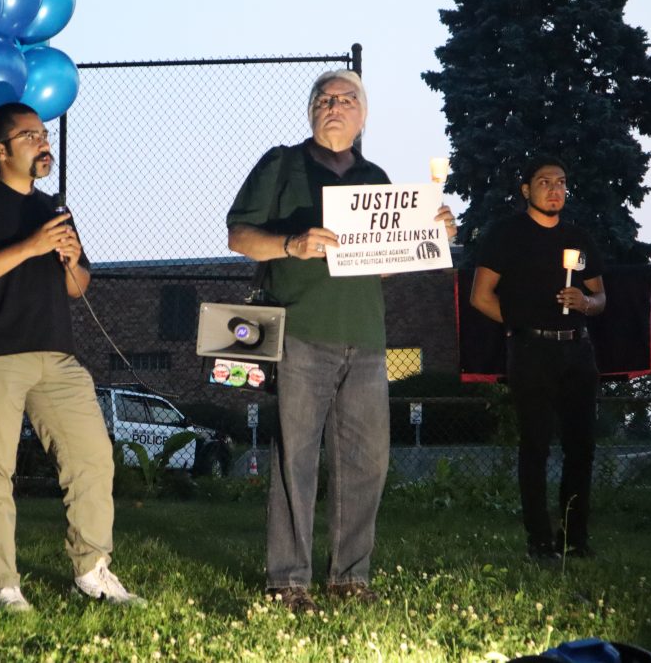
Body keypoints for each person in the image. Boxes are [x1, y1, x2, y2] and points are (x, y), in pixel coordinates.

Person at [226, 70, 456, 612]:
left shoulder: (376, 176)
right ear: (312, 111)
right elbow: (239, 235)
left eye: (346, 99)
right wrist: (291, 242)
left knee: (367, 462)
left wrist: (430, 235)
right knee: (295, 462)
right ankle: (289, 580)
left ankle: (350, 577)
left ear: (363, 115)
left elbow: (382, 266)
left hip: (367, 337)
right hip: (301, 328)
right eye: (324, 99)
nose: (334, 106)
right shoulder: (280, 164)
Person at [0, 102, 139, 611]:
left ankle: (93, 570)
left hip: (59, 357)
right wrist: (30, 247)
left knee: (92, 458)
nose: (42, 141)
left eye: (44, 132)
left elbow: (78, 288)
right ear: (0, 150)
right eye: (30, 135)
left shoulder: (55, 208)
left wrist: (72, 259)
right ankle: (2, 585)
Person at [469, 155, 606, 560]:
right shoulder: (507, 234)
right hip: (531, 350)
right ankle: (540, 541)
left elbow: (601, 298)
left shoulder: (579, 237)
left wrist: (585, 302)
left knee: (581, 446)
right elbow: (480, 296)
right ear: (526, 189)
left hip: (577, 350)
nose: (554, 189)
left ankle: (575, 537)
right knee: (536, 445)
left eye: (561, 182)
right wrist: (518, 325)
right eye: (545, 182)